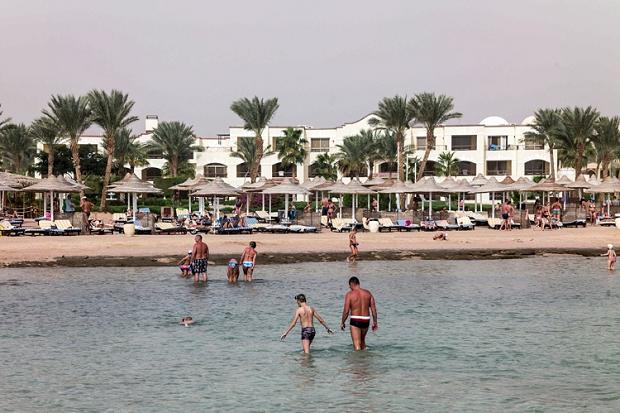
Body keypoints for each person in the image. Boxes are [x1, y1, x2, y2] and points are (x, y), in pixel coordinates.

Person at [340, 276, 378, 351]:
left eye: (349, 286)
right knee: (362, 342)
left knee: (356, 344)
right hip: (366, 319)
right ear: (358, 283)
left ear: (351, 284)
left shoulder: (349, 294)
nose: (349, 288)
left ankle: (358, 361)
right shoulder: (368, 293)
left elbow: (346, 311)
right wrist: (375, 322)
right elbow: (374, 310)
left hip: (355, 319)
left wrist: (342, 322)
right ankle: (364, 361)